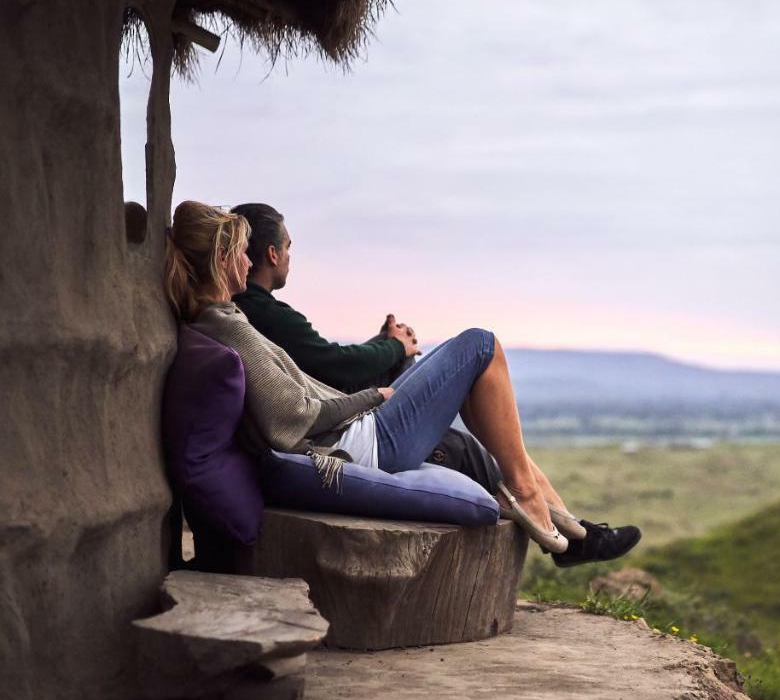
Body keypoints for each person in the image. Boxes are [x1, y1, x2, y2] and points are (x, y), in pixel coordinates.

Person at [163, 201, 639, 562]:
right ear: (224, 259)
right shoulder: (230, 328)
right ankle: (536, 501)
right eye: (239, 255)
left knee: (475, 396)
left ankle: (561, 519)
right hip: (362, 443)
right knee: (480, 344)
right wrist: (376, 395)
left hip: (358, 431)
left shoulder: (224, 321)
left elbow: (304, 391)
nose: (248, 264)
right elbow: (296, 417)